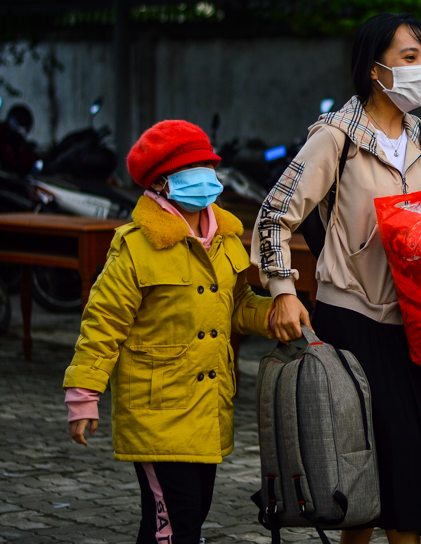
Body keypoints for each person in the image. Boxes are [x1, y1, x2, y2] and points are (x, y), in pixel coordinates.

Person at [252, 13, 421, 544]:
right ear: (375, 69)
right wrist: (283, 291)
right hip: (348, 318)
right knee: (371, 464)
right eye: (408, 58)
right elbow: (273, 215)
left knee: (382, 468)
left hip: (409, 325)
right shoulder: (335, 138)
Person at [63, 120, 299, 544]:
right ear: (160, 184)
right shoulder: (134, 247)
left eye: (208, 169)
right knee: (175, 525)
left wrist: (276, 314)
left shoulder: (227, 237)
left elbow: (237, 305)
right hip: (157, 410)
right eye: (191, 172)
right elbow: (102, 323)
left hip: (208, 407)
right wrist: (83, 396)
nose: (204, 180)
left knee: (186, 516)